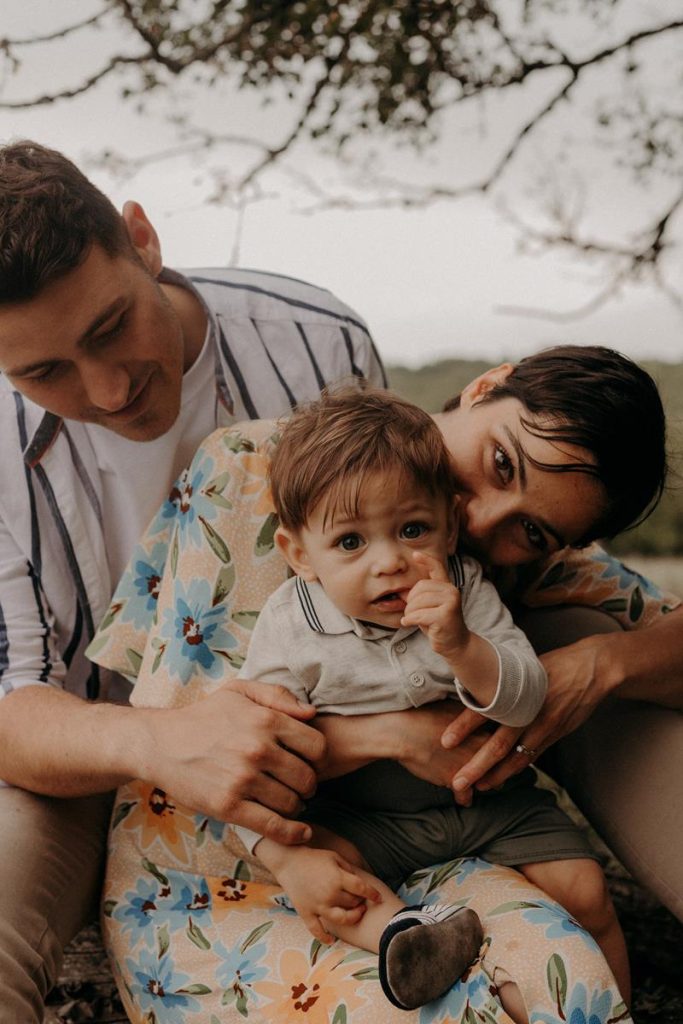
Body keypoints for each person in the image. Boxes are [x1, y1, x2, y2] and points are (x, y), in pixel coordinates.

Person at [0, 138, 385, 1022]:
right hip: (73, 769)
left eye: (108, 329)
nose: (104, 390)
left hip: (318, 752)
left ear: (142, 239)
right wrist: (161, 744)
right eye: (43, 371)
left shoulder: (322, 343)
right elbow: (9, 702)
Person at [233, 386, 629, 1009]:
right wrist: (282, 851)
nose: (389, 561)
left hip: (492, 806)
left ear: (449, 528)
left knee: (586, 891)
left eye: (412, 529)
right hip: (367, 819)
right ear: (298, 554)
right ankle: (404, 937)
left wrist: (461, 644)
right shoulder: (290, 624)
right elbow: (262, 751)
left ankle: (616, 1005)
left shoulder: (465, 592)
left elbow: (526, 699)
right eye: (350, 543)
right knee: (325, 872)